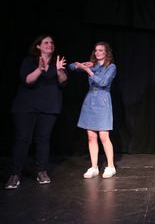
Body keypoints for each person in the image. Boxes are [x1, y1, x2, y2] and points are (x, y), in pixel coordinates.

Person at [5, 35, 67, 189]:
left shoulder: (57, 63)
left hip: (49, 108)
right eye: (45, 42)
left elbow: (63, 81)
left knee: (43, 139)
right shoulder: (29, 61)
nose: (49, 44)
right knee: (22, 139)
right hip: (26, 108)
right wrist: (40, 69)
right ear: (38, 46)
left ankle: (41, 171)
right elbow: (28, 81)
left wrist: (59, 70)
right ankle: (15, 174)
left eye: (52, 42)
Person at [69, 42, 117, 179]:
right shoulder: (92, 65)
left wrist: (88, 70)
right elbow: (72, 67)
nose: (97, 52)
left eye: (100, 50)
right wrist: (85, 64)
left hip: (102, 100)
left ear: (106, 52)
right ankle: (94, 167)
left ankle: (110, 166)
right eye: (95, 50)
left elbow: (102, 83)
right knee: (91, 136)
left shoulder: (111, 67)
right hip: (90, 100)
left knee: (103, 136)